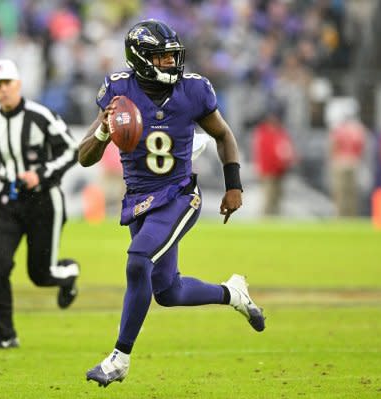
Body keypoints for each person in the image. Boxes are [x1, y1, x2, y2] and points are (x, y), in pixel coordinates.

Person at [78, 20, 265, 387]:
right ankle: (233, 293)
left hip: (179, 195)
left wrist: (234, 186)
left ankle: (119, 358)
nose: (170, 64)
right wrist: (104, 129)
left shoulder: (193, 90)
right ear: (142, 60)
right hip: (139, 199)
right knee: (167, 291)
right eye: (162, 58)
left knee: (138, 261)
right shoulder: (119, 91)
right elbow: (84, 157)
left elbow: (223, 134)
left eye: (172, 56)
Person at [0, 59, 80, 349]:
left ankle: (68, 274)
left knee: (41, 275)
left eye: (7, 84)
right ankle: (5, 335)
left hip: (44, 202)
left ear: (17, 84)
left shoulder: (40, 115)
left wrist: (40, 174)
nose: (3, 90)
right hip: (9, 202)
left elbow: (71, 150)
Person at [252, 101, 295, 216]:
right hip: (268, 171)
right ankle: (265, 225)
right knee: (268, 200)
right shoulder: (263, 132)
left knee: (277, 200)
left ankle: (275, 223)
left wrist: (287, 161)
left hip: (280, 171)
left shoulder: (280, 132)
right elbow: (264, 154)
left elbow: (287, 149)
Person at [329, 113, 367, 217]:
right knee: (341, 193)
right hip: (342, 163)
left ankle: (350, 216)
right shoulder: (339, 129)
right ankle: (340, 215)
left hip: (351, 163)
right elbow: (333, 146)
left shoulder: (357, 129)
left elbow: (361, 147)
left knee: (350, 193)